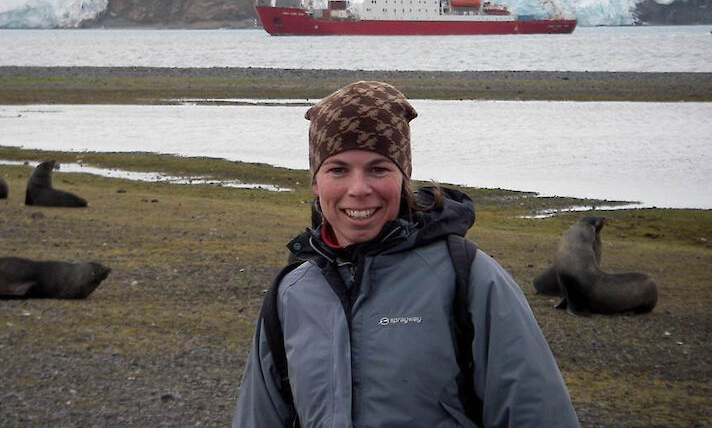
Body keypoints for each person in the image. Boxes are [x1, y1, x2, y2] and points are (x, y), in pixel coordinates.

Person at [232, 81, 580, 427]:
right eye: (337, 169)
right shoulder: (290, 295)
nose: (358, 189)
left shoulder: (470, 277)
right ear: (315, 181)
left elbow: (538, 413)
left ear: (403, 176)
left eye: (378, 169)